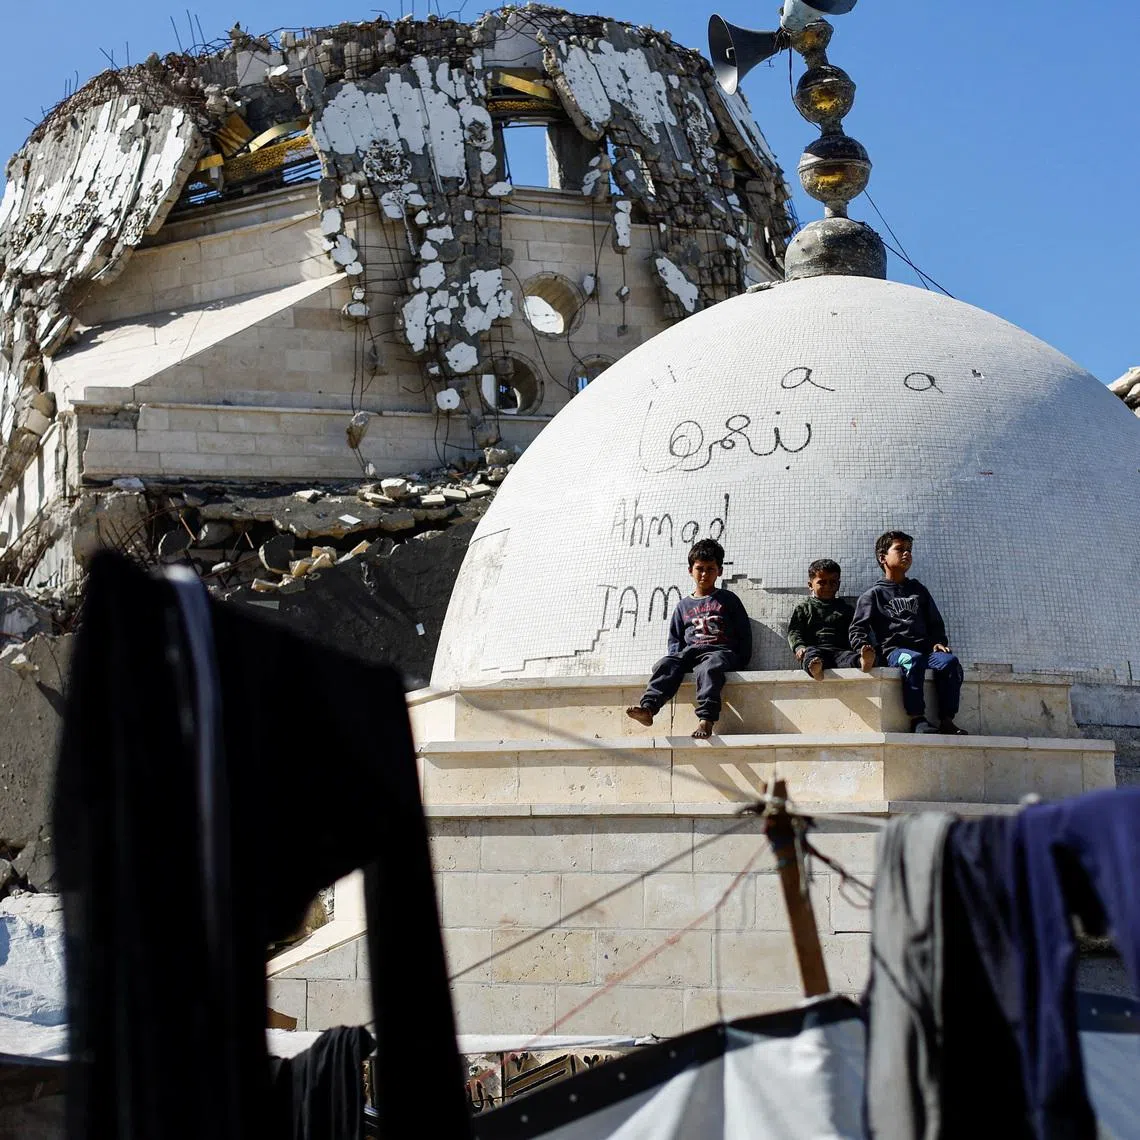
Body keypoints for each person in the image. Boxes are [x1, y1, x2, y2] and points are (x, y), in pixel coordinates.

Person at [625, 538, 752, 738]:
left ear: (719, 571)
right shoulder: (683, 606)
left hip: (720, 652)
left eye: (710, 569)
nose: (704, 574)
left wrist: (741, 659)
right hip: (691, 652)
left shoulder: (728, 600)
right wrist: (677, 663)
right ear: (690, 570)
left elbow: (744, 632)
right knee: (665, 663)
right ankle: (649, 708)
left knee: (709, 668)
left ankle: (706, 720)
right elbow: (675, 640)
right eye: (699, 568)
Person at [849, 530, 966, 734]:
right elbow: (857, 628)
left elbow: (935, 622)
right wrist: (864, 648)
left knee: (950, 663)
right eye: (900, 549)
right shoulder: (873, 595)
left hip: (926, 650)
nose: (907, 554)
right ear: (882, 557)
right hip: (895, 651)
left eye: (909, 550)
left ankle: (947, 720)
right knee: (912, 660)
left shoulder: (918, 590)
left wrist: (938, 641)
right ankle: (917, 719)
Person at [787, 558, 876, 679]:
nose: (828, 586)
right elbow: (794, 631)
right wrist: (799, 647)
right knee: (810, 655)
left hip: (840, 652)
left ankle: (862, 662)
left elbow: (855, 631)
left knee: (850, 658)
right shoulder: (804, 608)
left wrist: (861, 648)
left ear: (838, 584)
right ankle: (815, 670)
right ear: (810, 585)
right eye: (822, 583)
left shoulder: (846, 609)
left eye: (832, 582)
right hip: (816, 651)